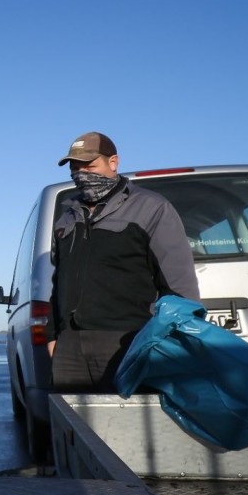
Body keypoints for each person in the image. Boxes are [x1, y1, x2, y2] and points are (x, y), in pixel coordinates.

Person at [46, 132, 198, 391]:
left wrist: (174, 342)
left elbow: (178, 283)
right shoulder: (67, 217)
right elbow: (58, 281)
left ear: (113, 163)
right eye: (75, 168)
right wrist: (53, 337)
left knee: (128, 426)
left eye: (90, 166)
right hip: (70, 347)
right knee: (72, 427)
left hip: (127, 342)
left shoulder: (151, 208)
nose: (81, 174)